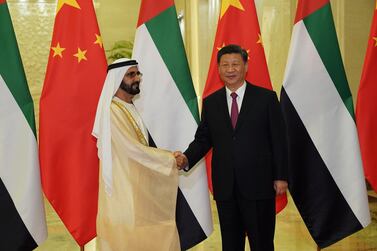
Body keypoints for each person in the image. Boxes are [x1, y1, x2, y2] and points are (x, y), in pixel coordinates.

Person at [174, 44, 288, 251]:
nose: (230, 69)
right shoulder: (211, 102)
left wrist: (281, 176)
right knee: (231, 244)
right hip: (226, 187)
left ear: (245, 66)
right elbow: (203, 139)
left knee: (262, 243)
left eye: (235, 64)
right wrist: (186, 158)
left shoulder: (266, 98)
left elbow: (279, 140)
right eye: (225, 65)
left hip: (259, 185)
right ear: (218, 69)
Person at [92, 58, 180, 251]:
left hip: (137, 188)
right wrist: (170, 159)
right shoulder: (112, 111)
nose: (137, 78)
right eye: (131, 74)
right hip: (123, 190)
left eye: (137, 73)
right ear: (116, 80)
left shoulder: (129, 107)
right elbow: (133, 149)